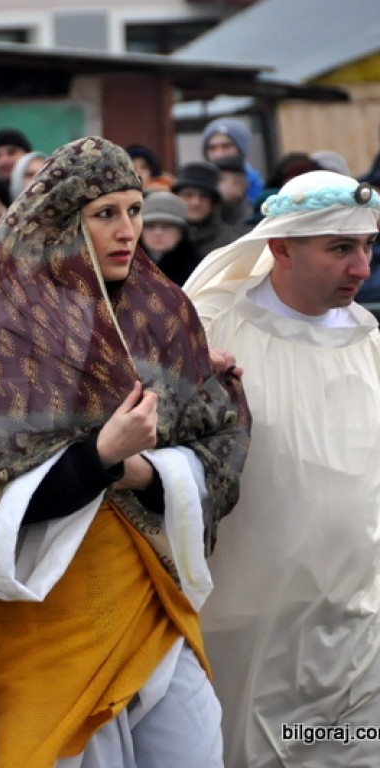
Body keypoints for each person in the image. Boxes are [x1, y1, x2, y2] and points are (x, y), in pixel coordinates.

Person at [0, 136, 251, 768]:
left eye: (134, 210)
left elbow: (217, 442)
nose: (127, 230)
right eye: (106, 214)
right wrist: (98, 456)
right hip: (44, 614)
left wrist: (142, 469)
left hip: (149, 596)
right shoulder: (3, 326)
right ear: (60, 221)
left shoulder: (160, 311)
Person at [183, 170, 380, 767]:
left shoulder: (370, 340)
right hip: (249, 621)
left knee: (348, 752)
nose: (361, 268)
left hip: (355, 622)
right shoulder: (213, 331)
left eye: (368, 247)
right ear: (281, 246)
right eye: (340, 248)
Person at [172, 161, 243, 260]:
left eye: (204, 196)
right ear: (176, 198)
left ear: (213, 202)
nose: (196, 202)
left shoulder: (231, 243)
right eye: (188, 195)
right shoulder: (159, 236)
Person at [200, 117, 264, 203]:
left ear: (241, 149)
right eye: (212, 148)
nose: (219, 154)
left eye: (226, 146)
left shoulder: (258, 187)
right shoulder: (199, 186)